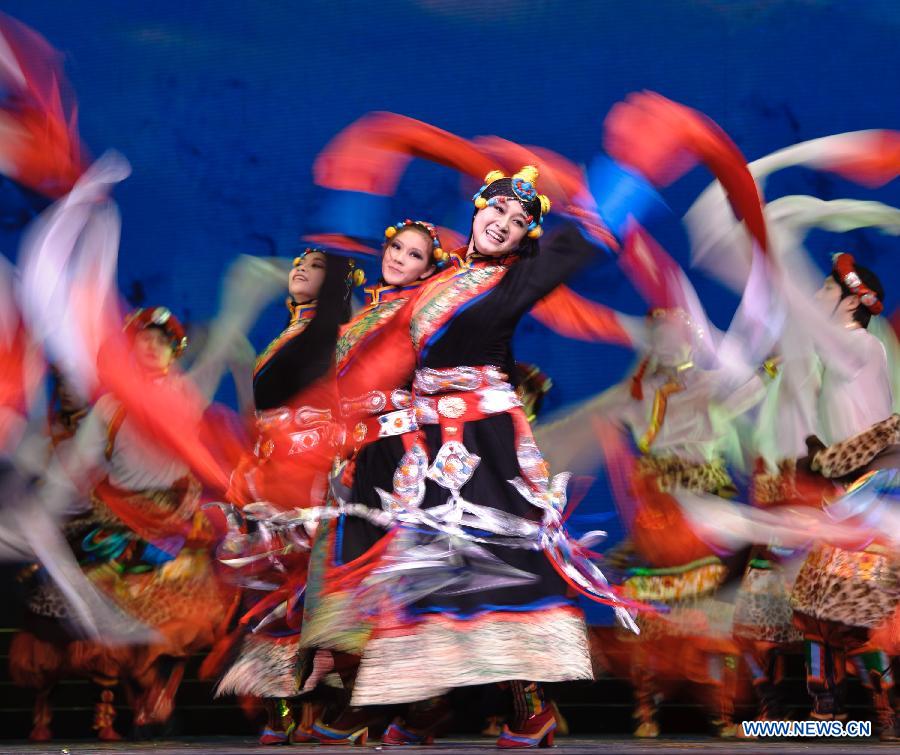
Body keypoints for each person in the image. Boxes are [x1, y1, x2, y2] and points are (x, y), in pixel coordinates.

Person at [215, 249, 356, 745]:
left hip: (311, 470)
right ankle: (286, 707)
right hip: (273, 469)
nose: (300, 268)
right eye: (298, 263)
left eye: (315, 265)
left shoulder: (333, 334)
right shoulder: (288, 333)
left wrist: (340, 248)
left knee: (306, 591)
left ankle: (335, 702)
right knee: (272, 590)